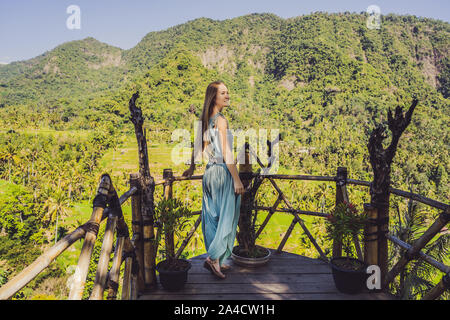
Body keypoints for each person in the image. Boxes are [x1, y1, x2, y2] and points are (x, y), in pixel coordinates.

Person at [182, 81, 245, 279]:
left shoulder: (205, 119)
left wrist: (191, 168)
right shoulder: (220, 120)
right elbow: (226, 152)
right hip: (221, 172)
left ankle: (216, 257)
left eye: (228, 92)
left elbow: (200, 148)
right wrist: (236, 179)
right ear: (214, 97)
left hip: (209, 173)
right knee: (227, 216)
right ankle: (215, 259)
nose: (227, 96)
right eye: (223, 93)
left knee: (213, 217)